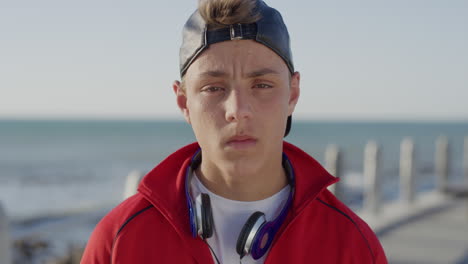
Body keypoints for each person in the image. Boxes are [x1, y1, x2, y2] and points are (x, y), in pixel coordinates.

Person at [81, 0, 387, 263]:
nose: (238, 109)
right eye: (213, 88)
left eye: (262, 85)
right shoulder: (118, 240)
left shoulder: (351, 245)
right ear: (184, 101)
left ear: (292, 94)